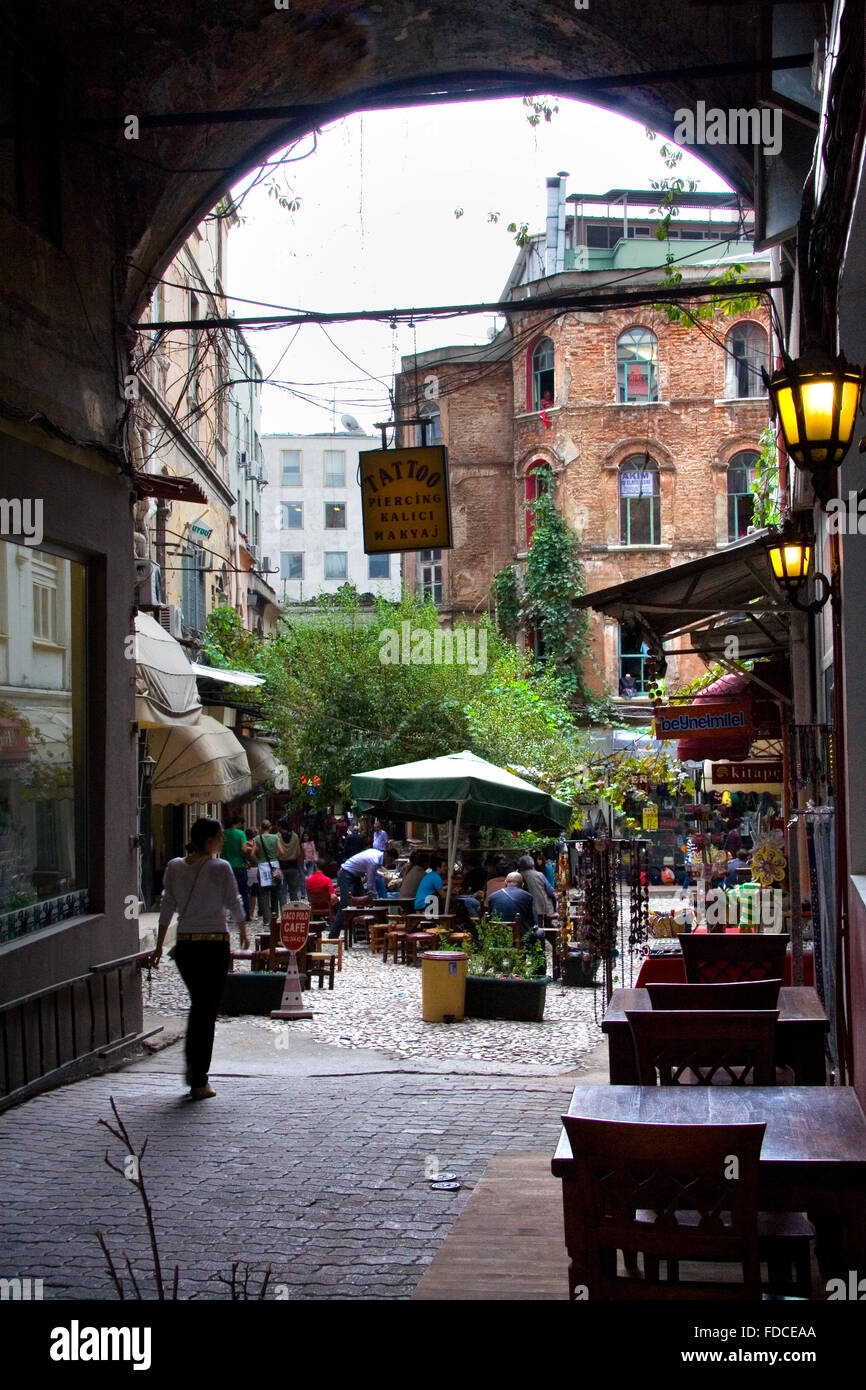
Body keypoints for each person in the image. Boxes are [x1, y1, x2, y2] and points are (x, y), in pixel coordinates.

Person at [149, 817, 246, 1101]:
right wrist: (242, 929)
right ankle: (198, 1078)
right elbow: (234, 900)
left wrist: (158, 946)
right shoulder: (221, 868)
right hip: (214, 945)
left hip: (187, 948)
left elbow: (167, 907)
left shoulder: (174, 867)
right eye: (219, 836)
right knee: (205, 1010)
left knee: (200, 1007)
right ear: (208, 841)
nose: (223, 840)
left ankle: (195, 1072)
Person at [333, 843, 398, 937]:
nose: (389, 863)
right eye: (390, 860)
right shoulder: (374, 861)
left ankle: (361, 932)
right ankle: (333, 935)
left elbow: (370, 871)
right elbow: (370, 884)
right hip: (346, 874)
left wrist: (381, 875)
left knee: (361, 903)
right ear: (387, 855)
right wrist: (375, 900)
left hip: (355, 875)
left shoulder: (376, 853)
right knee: (345, 904)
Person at [221, 809, 252, 942]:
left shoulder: (223, 834)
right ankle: (244, 914)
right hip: (238, 866)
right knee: (243, 891)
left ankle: (224, 916)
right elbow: (244, 849)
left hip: (225, 866)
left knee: (225, 892)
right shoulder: (240, 834)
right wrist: (249, 852)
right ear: (239, 823)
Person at [255, 820, 283, 929]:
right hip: (274, 866)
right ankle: (274, 916)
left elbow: (252, 853)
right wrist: (275, 857)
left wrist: (258, 860)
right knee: (275, 893)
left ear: (261, 828)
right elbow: (281, 852)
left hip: (262, 867)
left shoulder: (257, 838)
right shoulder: (275, 838)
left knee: (263, 894)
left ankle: (266, 919)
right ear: (270, 827)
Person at [518, 853, 556, 920]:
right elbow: (550, 891)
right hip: (543, 909)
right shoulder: (539, 875)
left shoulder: (517, 876)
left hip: (525, 912)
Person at [276, 819, 304, 904]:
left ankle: (284, 911)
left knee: (282, 892)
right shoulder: (295, 836)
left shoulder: (277, 836)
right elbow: (299, 852)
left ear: (280, 827)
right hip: (293, 866)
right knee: (294, 891)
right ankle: (294, 911)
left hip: (281, 866)